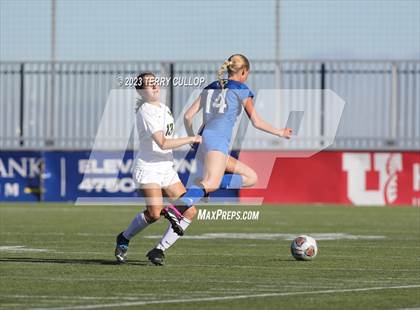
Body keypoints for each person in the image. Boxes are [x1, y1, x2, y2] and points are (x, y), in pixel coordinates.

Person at [167, 54, 292, 233]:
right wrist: (280, 132)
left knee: (251, 178)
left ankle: (200, 188)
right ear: (243, 71)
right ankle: (179, 207)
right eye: (247, 73)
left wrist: (193, 137)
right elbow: (256, 122)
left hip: (205, 141)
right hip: (217, 142)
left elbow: (188, 116)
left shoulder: (210, 87)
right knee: (212, 183)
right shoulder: (241, 89)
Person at [114, 72, 201, 265]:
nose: (154, 87)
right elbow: (162, 143)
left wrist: (191, 139)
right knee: (154, 213)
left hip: (166, 169)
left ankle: (158, 250)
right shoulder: (145, 110)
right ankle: (124, 237)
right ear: (141, 91)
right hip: (148, 168)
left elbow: (169, 137)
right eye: (149, 84)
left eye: (155, 83)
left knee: (190, 211)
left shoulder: (164, 108)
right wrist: (191, 138)